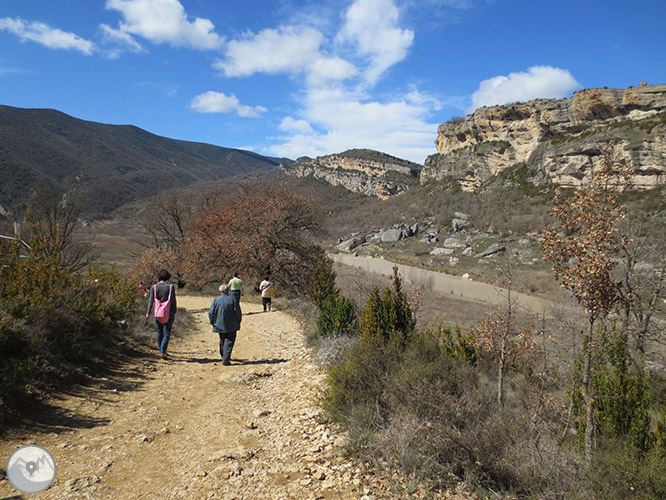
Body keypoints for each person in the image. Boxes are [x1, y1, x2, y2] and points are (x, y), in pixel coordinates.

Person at [146, 269, 177, 359]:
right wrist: (174, 310)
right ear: (167, 277)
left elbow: (151, 301)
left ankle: (161, 350)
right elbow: (173, 300)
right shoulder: (171, 287)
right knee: (167, 333)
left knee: (160, 332)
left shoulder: (154, 287)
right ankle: (163, 351)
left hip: (157, 312)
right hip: (169, 312)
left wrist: (148, 312)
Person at [209, 284, 242, 365]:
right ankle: (225, 359)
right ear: (228, 291)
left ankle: (224, 355)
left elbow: (211, 313)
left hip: (219, 324)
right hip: (232, 324)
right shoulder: (233, 300)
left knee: (223, 340)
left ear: (220, 291)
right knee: (229, 341)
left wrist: (213, 322)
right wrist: (238, 321)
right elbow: (238, 312)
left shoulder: (216, 300)